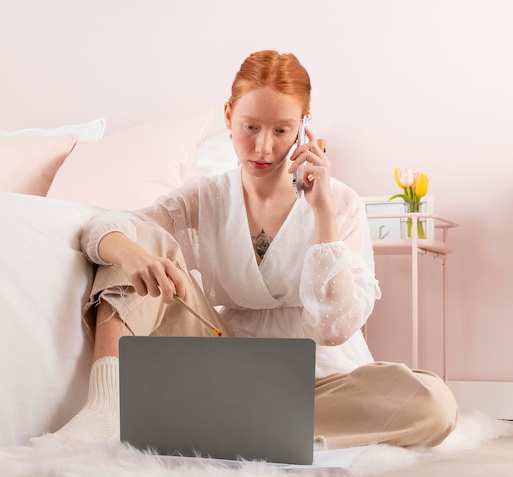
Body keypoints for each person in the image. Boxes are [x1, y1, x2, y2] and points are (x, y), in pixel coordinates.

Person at [33, 50, 458, 450]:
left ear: (305, 127)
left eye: (282, 130)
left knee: (433, 403)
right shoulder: (205, 199)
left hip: (324, 386)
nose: (263, 148)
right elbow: (104, 226)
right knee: (136, 241)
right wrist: (132, 255)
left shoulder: (341, 205)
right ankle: (107, 408)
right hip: (226, 369)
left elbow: (334, 327)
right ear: (229, 117)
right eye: (250, 127)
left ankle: (245, 425)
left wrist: (323, 212)